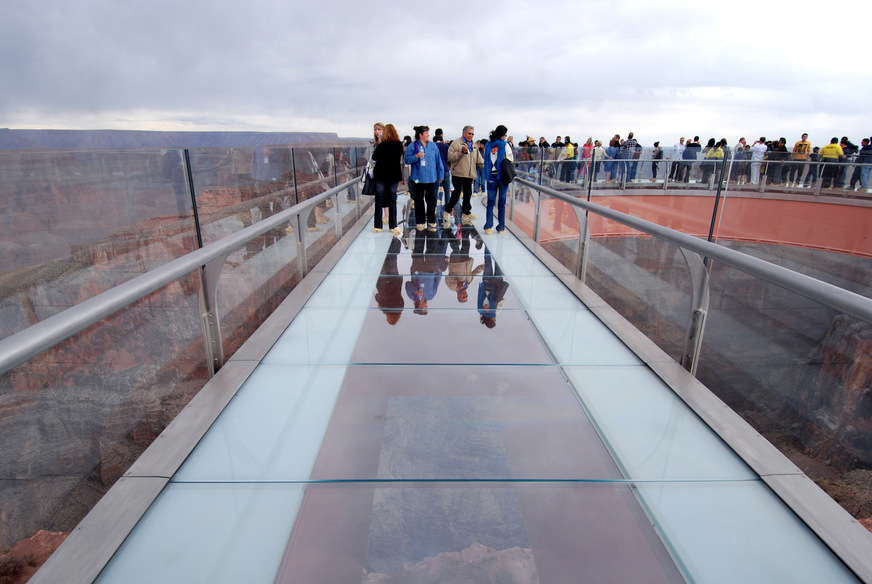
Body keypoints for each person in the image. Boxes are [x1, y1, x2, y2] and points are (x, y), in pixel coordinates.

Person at [404, 125, 444, 232]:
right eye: (426, 133)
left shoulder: (433, 146)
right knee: (418, 201)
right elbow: (407, 160)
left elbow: (438, 161)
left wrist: (441, 175)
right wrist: (416, 156)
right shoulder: (412, 146)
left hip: (432, 179)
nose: (428, 135)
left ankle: (431, 220)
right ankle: (420, 222)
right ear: (420, 135)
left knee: (432, 200)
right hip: (417, 179)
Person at [447, 125, 485, 227]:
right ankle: (448, 209)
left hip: (469, 174)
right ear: (464, 133)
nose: (471, 135)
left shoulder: (474, 146)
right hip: (458, 173)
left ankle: (466, 212)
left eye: (472, 134)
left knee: (468, 193)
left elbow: (479, 160)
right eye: (469, 133)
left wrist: (488, 168)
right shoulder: (456, 143)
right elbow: (450, 157)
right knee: (457, 191)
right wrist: (460, 153)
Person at [371, 123, 404, 236]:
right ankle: (393, 225)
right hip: (393, 176)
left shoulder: (382, 145)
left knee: (379, 200)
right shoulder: (399, 145)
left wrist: (380, 142)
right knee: (392, 200)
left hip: (381, 175)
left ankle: (378, 226)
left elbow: (374, 157)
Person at [482, 124, 514, 235]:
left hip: (491, 177)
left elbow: (485, 160)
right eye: (505, 135)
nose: (505, 137)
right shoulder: (505, 145)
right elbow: (510, 159)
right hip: (502, 178)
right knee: (501, 203)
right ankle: (501, 227)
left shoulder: (488, 145)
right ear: (501, 135)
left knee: (490, 203)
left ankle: (488, 226)